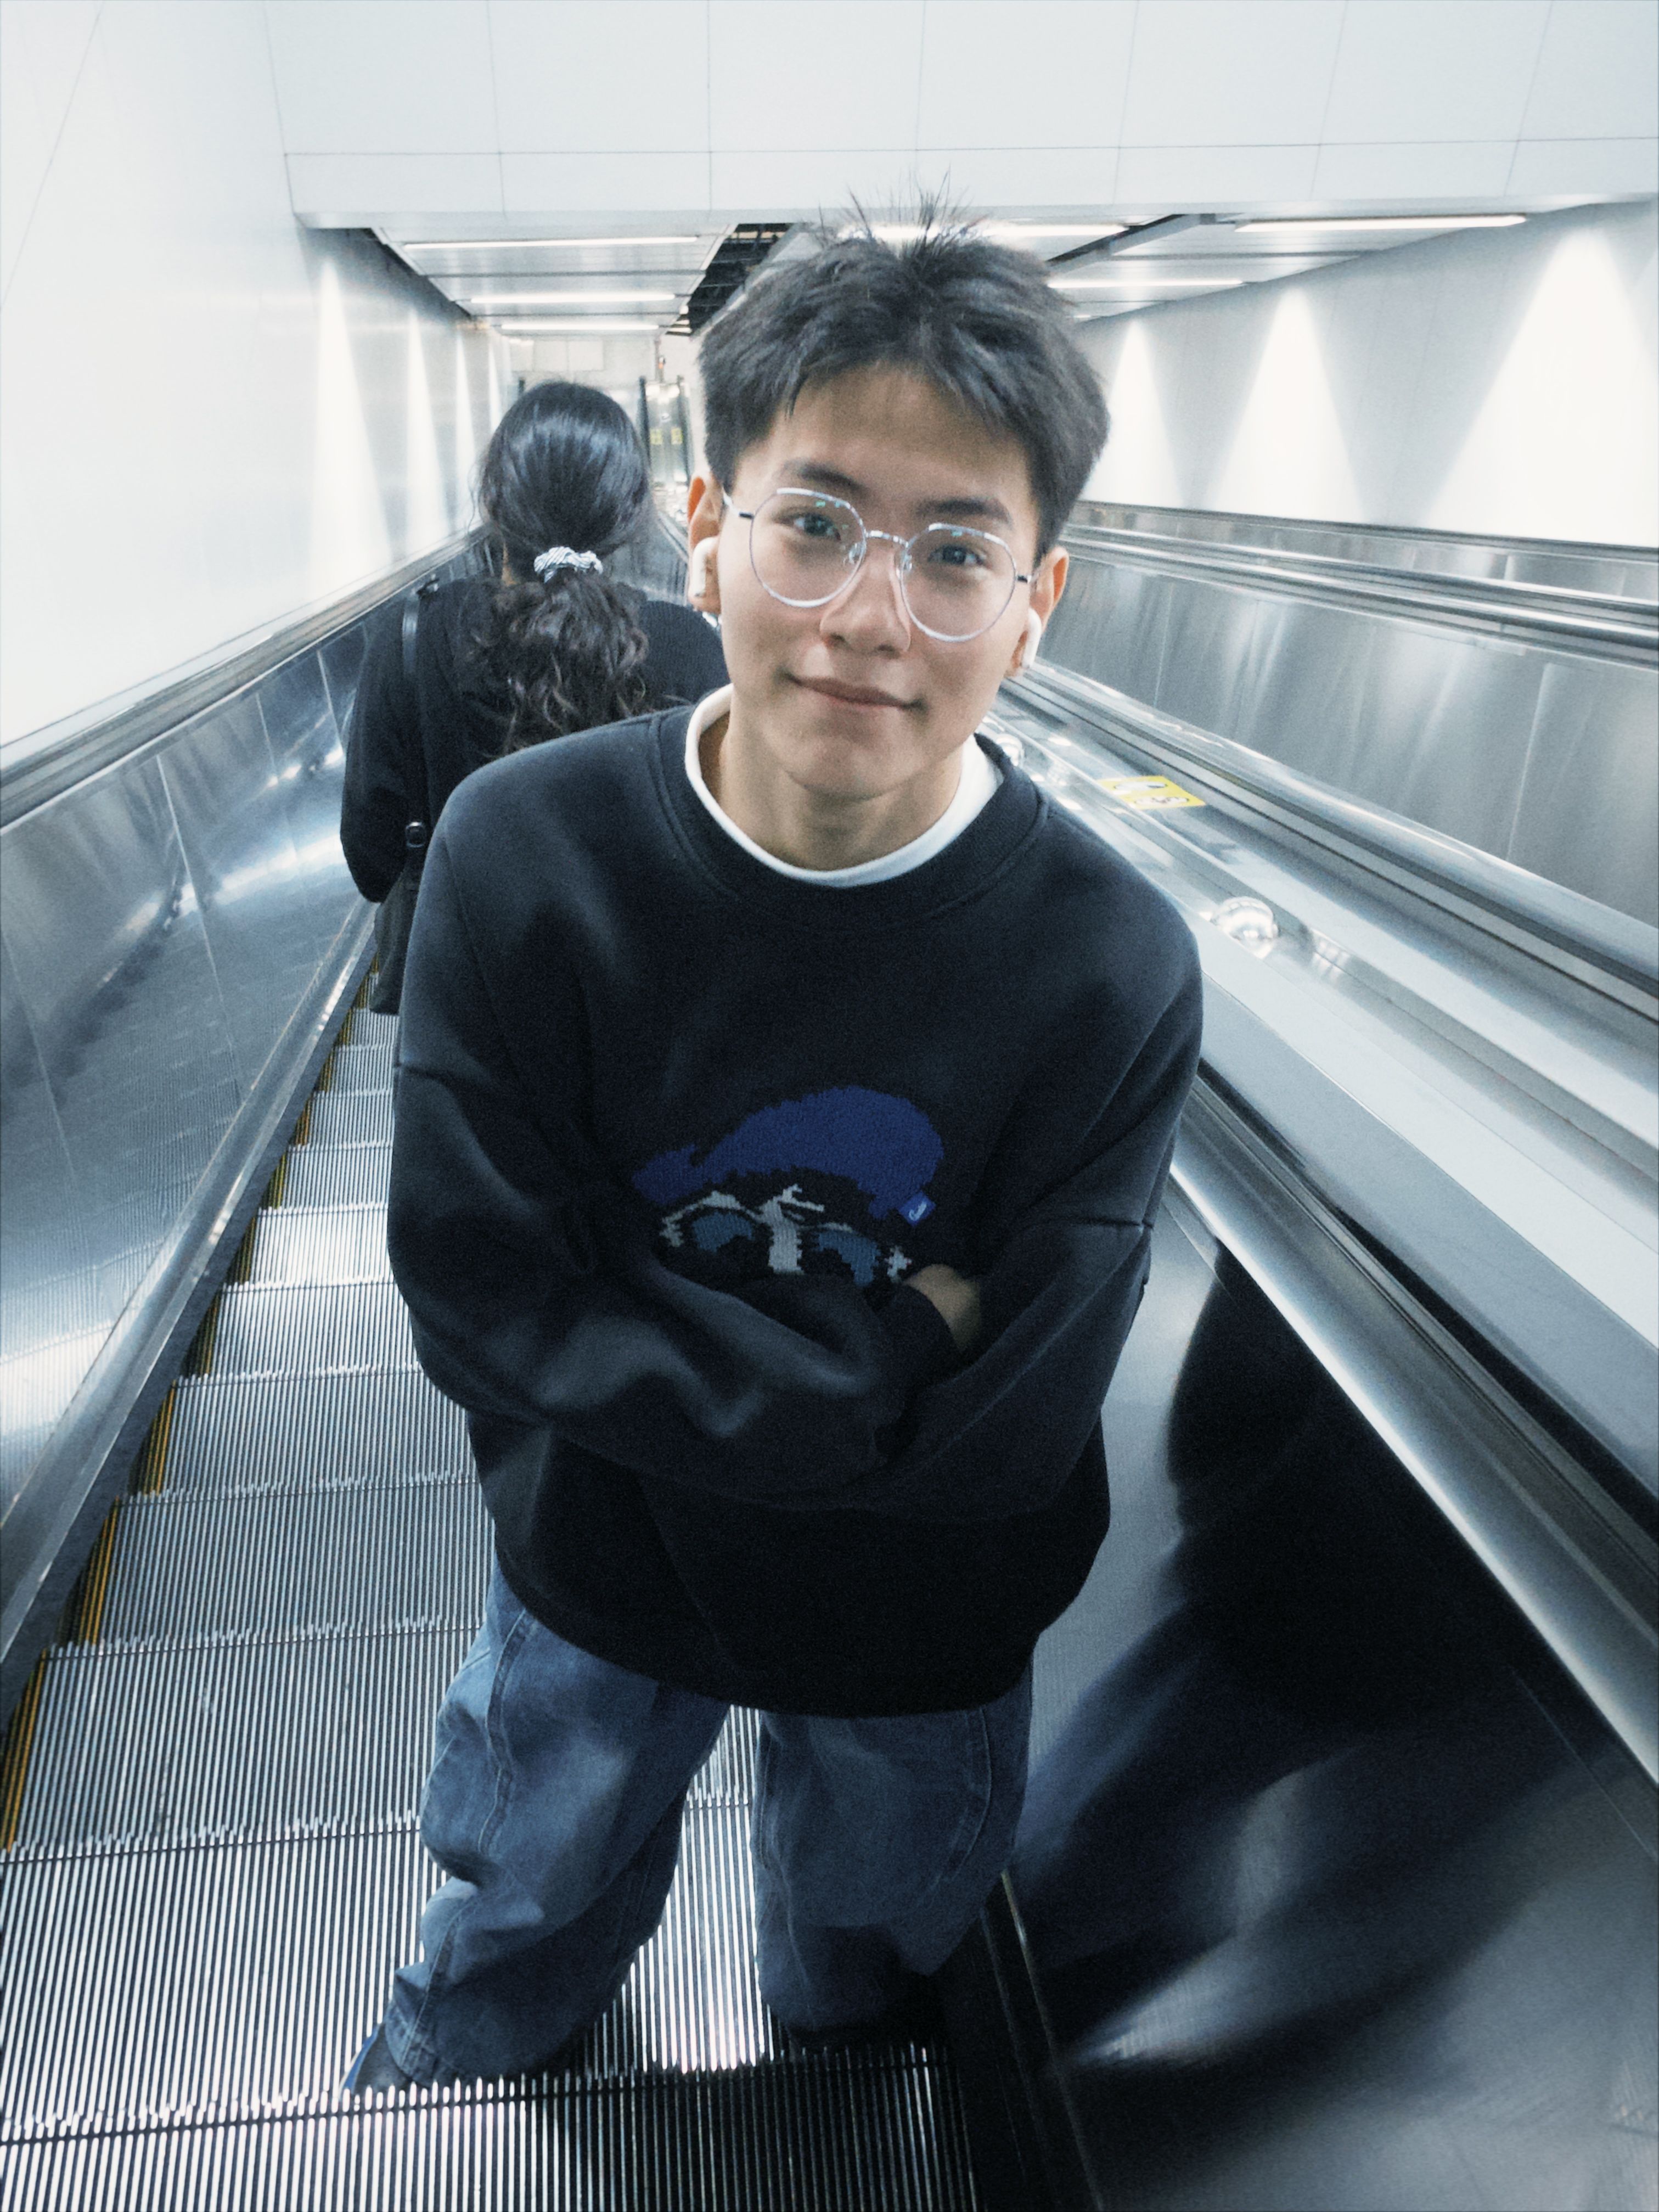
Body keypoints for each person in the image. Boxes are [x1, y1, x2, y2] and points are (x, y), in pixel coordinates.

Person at [346, 218, 1203, 2094]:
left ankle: (839, 2109)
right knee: (515, 1919)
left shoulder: (1109, 961)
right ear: (704, 528)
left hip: (917, 1622)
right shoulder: (523, 859)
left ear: (1038, 599)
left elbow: (1017, 1419)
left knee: (864, 1962)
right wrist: (894, 1346)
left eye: (956, 551)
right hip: (593, 1578)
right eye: (813, 522)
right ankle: (454, 2094)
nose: (871, 615)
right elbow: (482, 1299)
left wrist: (636, 1328)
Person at [339, 378, 728, 909]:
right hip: (642, 961)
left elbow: (373, 864)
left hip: (459, 955)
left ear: (494, 500)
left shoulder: (413, 638)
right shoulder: (688, 646)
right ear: (631, 511)